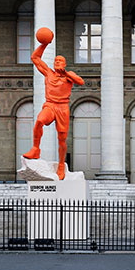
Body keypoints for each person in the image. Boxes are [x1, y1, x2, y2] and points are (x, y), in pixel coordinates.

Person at [21, 27, 84, 180]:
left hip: (62, 108)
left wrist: (66, 73)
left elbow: (80, 82)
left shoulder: (69, 76)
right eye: (55, 61)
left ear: (64, 63)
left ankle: (61, 164)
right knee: (39, 121)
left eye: (60, 61)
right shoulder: (49, 73)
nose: (57, 63)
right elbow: (35, 58)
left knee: (62, 139)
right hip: (50, 105)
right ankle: (36, 149)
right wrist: (44, 44)